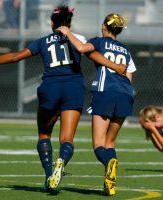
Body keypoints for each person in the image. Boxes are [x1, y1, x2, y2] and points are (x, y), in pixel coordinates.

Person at [0, 5, 126, 192]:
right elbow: (94, 55)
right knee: (67, 139)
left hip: (50, 88)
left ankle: (48, 175)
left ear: (52, 23)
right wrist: (115, 67)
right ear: (69, 23)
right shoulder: (78, 40)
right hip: (74, 89)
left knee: (44, 134)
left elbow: (16, 57)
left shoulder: (43, 41)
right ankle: (61, 162)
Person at [57, 13, 136, 196]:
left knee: (99, 144)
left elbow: (82, 48)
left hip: (105, 91)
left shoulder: (99, 41)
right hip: (125, 94)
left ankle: (110, 163)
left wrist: (68, 32)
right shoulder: (126, 50)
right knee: (110, 142)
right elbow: (129, 77)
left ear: (104, 26)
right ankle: (110, 183)